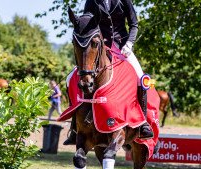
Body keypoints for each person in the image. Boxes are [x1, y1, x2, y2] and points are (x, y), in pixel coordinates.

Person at [63, 0, 153, 145]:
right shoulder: (91, 1)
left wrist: (129, 43)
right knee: (69, 79)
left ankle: (143, 124)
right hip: (99, 49)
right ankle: (75, 126)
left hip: (122, 46)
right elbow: (87, 21)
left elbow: (134, 24)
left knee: (140, 77)